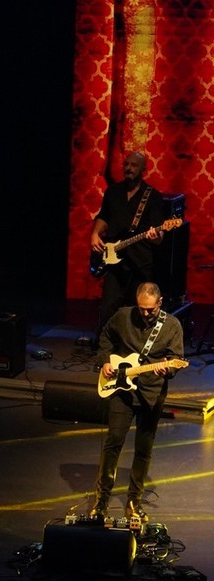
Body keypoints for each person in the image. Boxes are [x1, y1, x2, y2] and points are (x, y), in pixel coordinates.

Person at [89, 282, 184, 521]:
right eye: (141, 309)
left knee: (143, 449)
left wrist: (168, 369)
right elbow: (105, 336)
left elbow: (176, 358)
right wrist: (105, 361)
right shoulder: (123, 316)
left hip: (152, 393)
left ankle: (134, 501)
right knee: (113, 442)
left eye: (150, 309)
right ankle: (101, 501)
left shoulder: (172, 325)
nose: (145, 313)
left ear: (160, 303)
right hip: (122, 390)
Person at [90, 151, 167, 340]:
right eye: (126, 164)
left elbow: (159, 236)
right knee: (108, 308)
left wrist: (154, 236)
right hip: (114, 262)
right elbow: (104, 217)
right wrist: (95, 234)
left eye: (134, 165)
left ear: (143, 169)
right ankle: (104, 346)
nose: (128, 168)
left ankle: (135, 347)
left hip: (140, 263)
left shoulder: (153, 197)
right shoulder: (113, 191)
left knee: (138, 310)